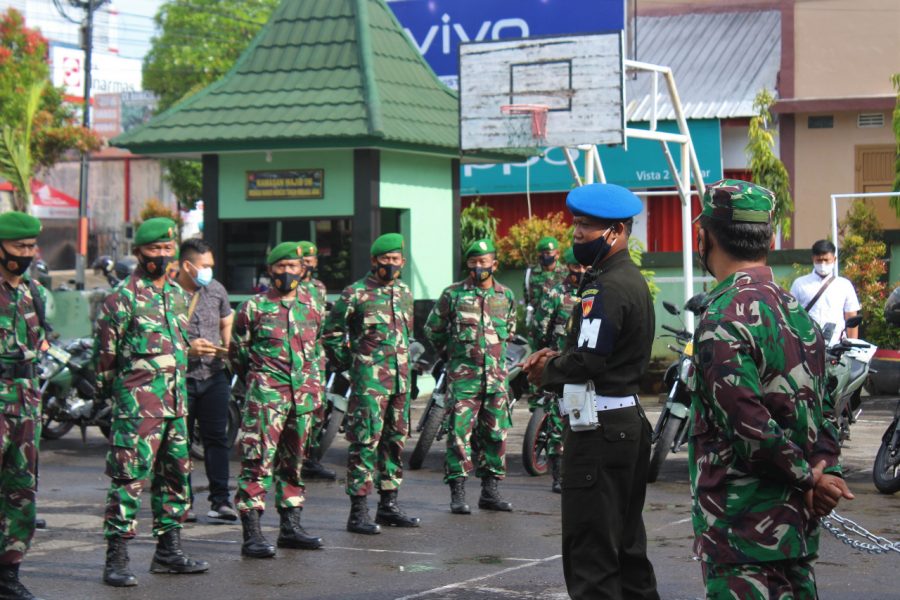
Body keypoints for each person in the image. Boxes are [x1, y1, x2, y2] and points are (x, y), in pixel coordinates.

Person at [689, 179, 854, 599]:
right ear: (768, 236)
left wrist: (807, 478)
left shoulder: (722, 317)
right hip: (795, 531)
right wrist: (823, 471)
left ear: (704, 236)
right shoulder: (797, 312)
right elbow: (825, 410)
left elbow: (748, 427)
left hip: (742, 533)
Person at [522, 183, 659, 600]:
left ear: (616, 231)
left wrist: (548, 369)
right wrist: (561, 355)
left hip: (599, 430)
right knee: (627, 548)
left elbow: (589, 361)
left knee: (592, 555)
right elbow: (597, 351)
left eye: (586, 225)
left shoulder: (607, 287)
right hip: (624, 422)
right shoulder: (626, 278)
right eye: (576, 223)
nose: (576, 233)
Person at [95, 217, 208, 587]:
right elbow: (106, 360)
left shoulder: (177, 295)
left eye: (165, 249)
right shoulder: (121, 299)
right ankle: (117, 557)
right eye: (153, 250)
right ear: (139, 252)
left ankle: (168, 551)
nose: (161, 255)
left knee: (176, 478)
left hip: (176, 405)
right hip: (138, 406)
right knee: (129, 480)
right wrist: (122, 399)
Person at [229, 242, 324, 558]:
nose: (287, 273)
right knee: (257, 465)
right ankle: (253, 534)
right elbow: (239, 355)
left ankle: (290, 528)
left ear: (302, 270)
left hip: (303, 400)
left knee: (294, 464)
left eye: (292, 267)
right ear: (270, 270)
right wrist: (262, 384)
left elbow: (317, 350)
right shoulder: (253, 308)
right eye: (280, 267)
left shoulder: (311, 304)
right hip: (267, 400)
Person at [322, 233, 420, 535]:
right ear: (374, 261)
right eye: (384, 260)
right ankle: (359, 510)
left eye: (395, 260)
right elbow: (332, 333)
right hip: (369, 385)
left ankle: (388, 504)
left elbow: (406, 335)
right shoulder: (356, 293)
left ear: (402, 262)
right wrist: (349, 365)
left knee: (395, 443)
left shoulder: (404, 292)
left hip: (399, 383)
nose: (389, 265)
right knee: (365, 444)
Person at [425, 238, 517, 515]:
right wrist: (452, 357)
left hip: (497, 381)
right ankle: (458, 491)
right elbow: (433, 330)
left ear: (494, 264)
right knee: (459, 436)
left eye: (484, 261)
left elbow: (510, 332)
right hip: (463, 380)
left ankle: (490, 491)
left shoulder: (506, 296)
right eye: (474, 262)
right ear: (467, 264)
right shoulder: (452, 295)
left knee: (495, 435)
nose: (479, 267)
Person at [0, 211, 47, 600]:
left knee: (21, 493)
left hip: (26, 406)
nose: (27, 253)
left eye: (31, 246)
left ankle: (9, 573)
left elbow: (40, 342)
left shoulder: (34, 292)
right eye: (20, 247)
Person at [175, 238, 237, 523]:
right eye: (204, 266)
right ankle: (181, 502)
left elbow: (226, 318)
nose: (209, 271)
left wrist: (227, 346)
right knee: (179, 443)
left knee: (217, 440)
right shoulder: (169, 293)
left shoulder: (216, 290)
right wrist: (187, 351)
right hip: (180, 379)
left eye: (211, 265)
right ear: (187, 266)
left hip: (214, 375)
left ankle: (221, 501)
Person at [530, 246, 585, 494]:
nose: (581, 272)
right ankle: (558, 474)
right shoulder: (555, 293)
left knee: (585, 419)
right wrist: (546, 355)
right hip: (559, 364)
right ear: (568, 267)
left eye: (585, 267)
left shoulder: (598, 291)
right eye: (576, 267)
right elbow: (540, 328)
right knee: (556, 420)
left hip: (585, 365)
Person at [297, 241, 336, 481]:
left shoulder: (318, 288)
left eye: (310, 262)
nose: (306, 266)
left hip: (315, 357)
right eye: (302, 262)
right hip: (292, 358)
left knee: (317, 409)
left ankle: (310, 459)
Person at [790, 239, 861, 345]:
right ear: (813, 259)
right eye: (819, 260)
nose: (823, 264)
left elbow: (851, 317)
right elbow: (791, 315)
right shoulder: (799, 284)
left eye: (826, 260)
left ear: (834, 259)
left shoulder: (844, 285)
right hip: (807, 344)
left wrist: (852, 345)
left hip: (836, 345)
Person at [525, 236, 566, 334]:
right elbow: (527, 296)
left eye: (548, 253)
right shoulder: (530, 273)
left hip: (558, 328)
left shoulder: (566, 273)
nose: (544, 256)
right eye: (541, 253)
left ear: (557, 254)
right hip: (537, 327)